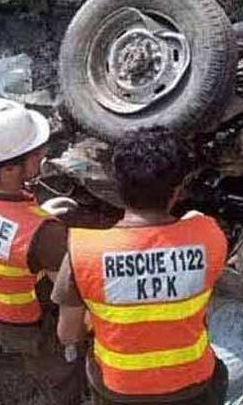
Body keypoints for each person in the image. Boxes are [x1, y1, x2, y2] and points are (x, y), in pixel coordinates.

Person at [51, 127, 229, 404]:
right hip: (193, 384)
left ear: (116, 185)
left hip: (117, 389)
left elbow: (67, 334)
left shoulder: (82, 251)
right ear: (178, 191)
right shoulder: (210, 237)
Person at [0, 98, 83, 404]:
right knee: (56, 365)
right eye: (35, 154)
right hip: (22, 320)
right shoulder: (43, 236)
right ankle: (62, 393)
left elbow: (0, 225)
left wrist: (41, 214)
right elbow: (75, 288)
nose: (43, 155)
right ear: (9, 169)